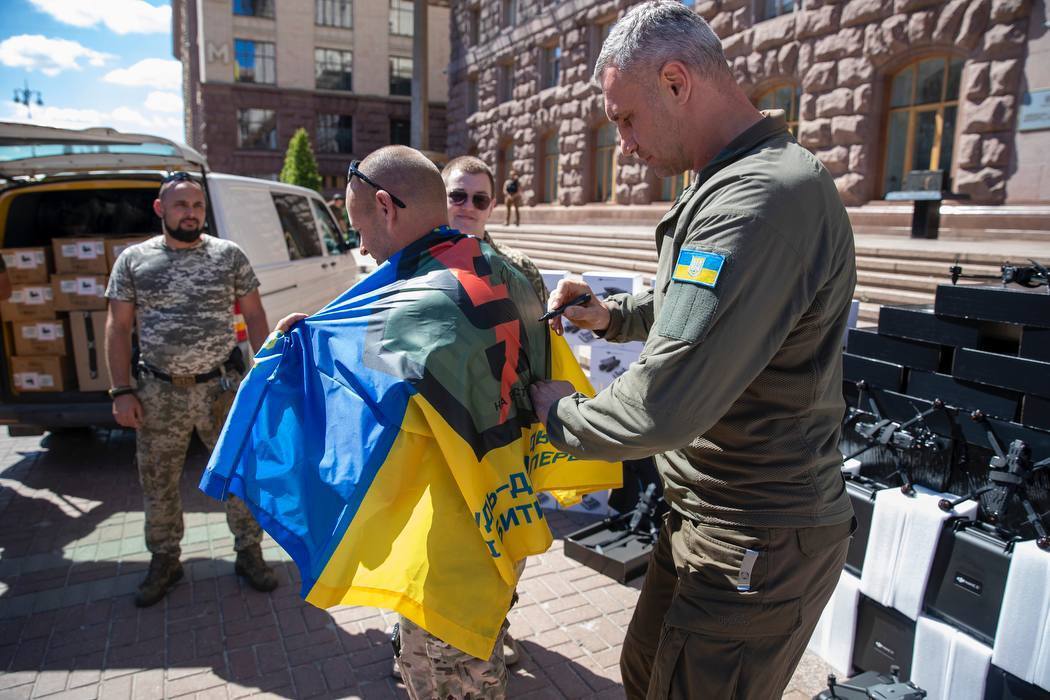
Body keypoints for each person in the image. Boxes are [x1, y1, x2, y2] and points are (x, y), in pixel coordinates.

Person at [528, 2, 857, 698]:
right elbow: (704, 305)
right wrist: (611, 316)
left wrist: (559, 415)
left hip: (753, 533)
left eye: (624, 119)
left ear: (676, 82)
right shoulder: (733, 178)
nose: (622, 144)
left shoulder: (756, 199)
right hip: (709, 517)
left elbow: (660, 412)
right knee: (647, 676)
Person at [275, 146, 547, 700]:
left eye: (360, 227)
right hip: (504, 502)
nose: (362, 244)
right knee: (483, 654)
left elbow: (364, 427)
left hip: (443, 542)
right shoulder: (512, 271)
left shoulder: (399, 306)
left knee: (450, 682)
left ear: (386, 206)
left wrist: (310, 355)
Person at [105, 173, 278, 608]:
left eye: (198, 205)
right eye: (181, 205)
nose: (191, 213)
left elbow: (256, 316)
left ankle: (248, 551)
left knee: (238, 474)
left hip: (221, 389)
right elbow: (118, 326)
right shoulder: (134, 261)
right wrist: (120, 391)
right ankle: (165, 559)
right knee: (158, 481)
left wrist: (263, 375)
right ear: (161, 209)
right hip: (158, 393)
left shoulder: (227, 256)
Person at [444, 156, 546, 306]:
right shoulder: (414, 263)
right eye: (458, 196)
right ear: (440, 199)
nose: (469, 207)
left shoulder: (522, 269)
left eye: (480, 200)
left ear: (491, 207)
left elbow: (544, 325)